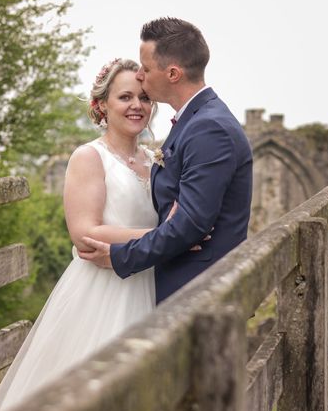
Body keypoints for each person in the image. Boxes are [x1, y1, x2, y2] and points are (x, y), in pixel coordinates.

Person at [0, 58, 157, 411]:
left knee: (141, 399)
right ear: (102, 106)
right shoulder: (88, 157)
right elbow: (85, 232)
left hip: (148, 287)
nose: (137, 105)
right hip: (100, 290)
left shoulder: (154, 160)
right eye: (125, 96)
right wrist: (164, 238)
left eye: (144, 97)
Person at [81, 18, 253, 304]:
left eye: (146, 68)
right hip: (182, 288)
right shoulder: (197, 120)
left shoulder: (209, 128)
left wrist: (118, 256)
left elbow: (191, 227)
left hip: (201, 295)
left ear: (172, 73)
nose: (140, 75)